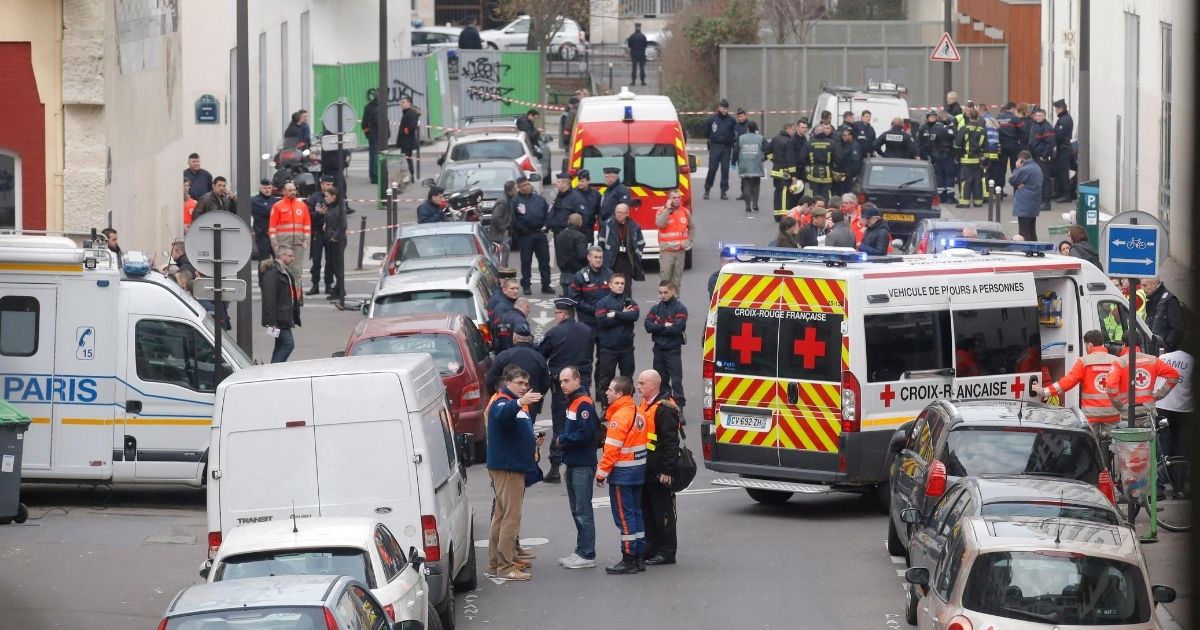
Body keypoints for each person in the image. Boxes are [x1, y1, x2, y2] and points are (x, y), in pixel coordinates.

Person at [486, 365, 543, 582]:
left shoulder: (513, 404)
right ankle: (505, 566)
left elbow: (514, 428)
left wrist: (531, 439)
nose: (524, 388)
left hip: (511, 466)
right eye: (519, 383)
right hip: (508, 468)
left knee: (501, 517)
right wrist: (520, 402)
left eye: (526, 384)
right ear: (508, 382)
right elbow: (501, 415)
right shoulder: (502, 402)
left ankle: (496, 563)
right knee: (511, 518)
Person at [595, 375, 647, 575]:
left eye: (610, 389)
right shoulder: (638, 411)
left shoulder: (619, 418)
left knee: (624, 518)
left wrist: (601, 474)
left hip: (623, 473)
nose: (606, 392)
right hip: (638, 470)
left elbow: (612, 451)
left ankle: (628, 559)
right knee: (636, 514)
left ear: (619, 394)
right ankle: (639, 556)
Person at [539, 298, 595, 483]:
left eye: (556, 313)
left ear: (562, 314)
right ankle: (583, 462)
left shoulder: (554, 333)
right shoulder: (587, 331)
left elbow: (541, 356)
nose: (555, 316)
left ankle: (555, 467)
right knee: (583, 423)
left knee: (561, 424)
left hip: (561, 386)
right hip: (583, 384)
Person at [554, 366, 599, 569]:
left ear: (577, 380)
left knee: (582, 510)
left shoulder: (583, 404)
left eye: (566, 381)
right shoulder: (573, 402)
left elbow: (587, 434)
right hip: (574, 463)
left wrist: (563, 440)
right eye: (561, 381)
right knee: (577, 510)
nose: (562, 385)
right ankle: (581, 550)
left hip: (582, 464)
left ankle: (587, 554)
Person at [1042, 330, 1120, 442]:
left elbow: (1066, 382)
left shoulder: (1084, 362)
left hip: (1091, 415)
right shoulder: (1116, 361)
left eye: (1085, 346)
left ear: (1090, 344)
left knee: (1091, 445)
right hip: (1112, 413)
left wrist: (1044, 392)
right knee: (1114, 446)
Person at [637, 369, 680, 566]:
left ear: (653, 385)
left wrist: (667, 471)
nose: (638, 387)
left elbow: (671, 442)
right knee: (648, 510)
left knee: (663, 512)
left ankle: (667, 551)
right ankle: (652, 546)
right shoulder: (646, 405)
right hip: (647, 469)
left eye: (642, 383)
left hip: (659, 471)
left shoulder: (665, 408)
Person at [1104, 330, 1181, 427]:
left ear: (1124, 344)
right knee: (1150, 441)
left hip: (1128, 414)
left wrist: (1119, 405)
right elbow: (1174, 376)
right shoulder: (1153, 360)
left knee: (1129, 441)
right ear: (1140, 344)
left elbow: (1110, 386)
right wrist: (1158, 395)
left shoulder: (1119, 362)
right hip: (1148, 412)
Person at [594, 274, 639, 412]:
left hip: (626, 348)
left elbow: (634, 315)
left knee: (627, 379)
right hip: (608, 349)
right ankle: (606, 408)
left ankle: (627, 406)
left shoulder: (629, 301)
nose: (620, 285)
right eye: (617, 283)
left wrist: (615, 314)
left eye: (622, 283)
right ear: (610, 284)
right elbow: (601, 321)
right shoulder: (603, 303)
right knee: (606, 379)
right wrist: (623, 315)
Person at [488, 323, 550, 421]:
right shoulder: (538, 358)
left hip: (506, 401)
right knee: (527, 430)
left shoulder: (503, 356)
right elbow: (545, 383)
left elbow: (491, 380)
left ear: (514, 338)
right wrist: (538, 398)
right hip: (530, 402)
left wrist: (496, 396)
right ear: (529, 339)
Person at [645, 281, 687, 411]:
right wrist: (665, 325)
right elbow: (647, 326)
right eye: (660, 292)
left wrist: (657, 327)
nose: (662, 295)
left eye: (665, 292)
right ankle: (666, 404)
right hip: (658, 350)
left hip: (673, 350)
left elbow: (677, 328)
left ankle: (679, 407)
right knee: (660, 380)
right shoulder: (656, 308)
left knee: (676, 380)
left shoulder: (680, 309)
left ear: (673, 291)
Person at [512, 176, 553, 295]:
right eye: (524, 185)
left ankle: (546, 284)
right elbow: (514, 220)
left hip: (540, 234)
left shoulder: (539, 199)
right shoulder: (515, 201)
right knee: (526, 262)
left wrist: (546, 225)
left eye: (528, 184)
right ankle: (526, 285)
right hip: (525, 236)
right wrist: (523, 230)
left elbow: (548, 213)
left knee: (544, 261)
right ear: (519, 188)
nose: (528, 186)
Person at [260, 246, 301, 363]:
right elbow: (269, 299)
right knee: (288, 344)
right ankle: (274, 369)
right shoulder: (273, 273)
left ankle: (273, 367)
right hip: (279, 318)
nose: (293, 258)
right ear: (281, 256)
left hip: (284, 316)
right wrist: (272, 322)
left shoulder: (282, 270)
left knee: (280, 344)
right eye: (290, 256)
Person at [269, 183, 312, 284]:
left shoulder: (302, 206)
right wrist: (274, 244)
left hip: (298, 244)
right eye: (290, 190)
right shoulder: (277, 206)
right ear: (284, 192)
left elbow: (307, 225)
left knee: (297, 271)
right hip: (283, 245)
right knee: (282, 271)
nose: (293, 192)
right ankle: (284, 296)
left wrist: (306, 241)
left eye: (294, 190)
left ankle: (297, 297)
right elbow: (272, 227)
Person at [599, 203, 645, 297]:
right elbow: (601, 243)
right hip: (611, 261)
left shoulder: (634, 226)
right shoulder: (608, 225)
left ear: (627, 213)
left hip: (627, 261)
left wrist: (638, 256)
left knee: (626, 286)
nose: (619, 214)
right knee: (611, 285)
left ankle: (627, 306)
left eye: (622, 212)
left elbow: (641, 243)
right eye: (617, 212)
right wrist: (602, 260)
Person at [1156, 348, 1193, 457]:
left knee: (1162, 445)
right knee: (1180, 448)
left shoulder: (1163, 358)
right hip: (1183, 410)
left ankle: (1161, 469)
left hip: (1161, 405)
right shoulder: (1192, 361)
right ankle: (1177, 469)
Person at [568, 246, 612, 337]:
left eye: (600, 257)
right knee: (586, 350)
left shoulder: (609, 274)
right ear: (589, 258)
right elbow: (575, 299)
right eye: (595, 257)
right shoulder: (579, 276)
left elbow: (614, 295)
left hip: (605, 321)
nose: (598, 260)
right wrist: (594, 309)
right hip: (587, 321)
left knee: (604, 350)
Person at [655, 189, 692, 291]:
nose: (677, 200)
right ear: (669, 199)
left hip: (680, 252)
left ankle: (675, 302)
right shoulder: (662, 211)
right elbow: (660, 224)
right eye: (674, 198)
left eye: (678, 197)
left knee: (677, 280)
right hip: (667, 252)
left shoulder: (685, 212)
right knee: (665, 279)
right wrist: (667, 210)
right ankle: (663, 302)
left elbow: (692, 227)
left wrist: (690, 241)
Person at [305, 176, 335, 295]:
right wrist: (318, 213)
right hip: (318, 232)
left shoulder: (334, 196)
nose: (328, 187)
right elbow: (308, 215)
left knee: (330, 260)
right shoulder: (314, 198)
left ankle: (328, 285)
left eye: (330, 184)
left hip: (330, 233)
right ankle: (315, 285)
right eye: (326, 184)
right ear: (321, 185)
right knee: (316, 261)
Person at [703, 99, 736, 200]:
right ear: (719, 107)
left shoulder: (732, 120)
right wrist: (711, 141)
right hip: (715, 146)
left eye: (726, 108)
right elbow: (706, 133)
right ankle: (707, 190)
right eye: (722, 108)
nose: (724, 110)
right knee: (712, 168)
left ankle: (723, 191)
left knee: (725, 169)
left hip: (726, 147)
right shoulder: (712, 119)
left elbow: (734, 133)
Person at [1141, 277, 1186, 353]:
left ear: (1155, 284)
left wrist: (1166, 347)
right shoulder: (1152, 300)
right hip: (1151, 349)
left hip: (1163, 352)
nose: (1142, 289)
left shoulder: (1170, 301)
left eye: (1145, 285)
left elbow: (1177, 329)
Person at [954, 110, 987, 208]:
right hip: (978, 160)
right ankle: (978, 202)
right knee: (977, 181)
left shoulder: (964, 129)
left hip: (966, 160)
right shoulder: (982, 130)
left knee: (966, 181)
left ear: (969, 117)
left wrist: (957, 157)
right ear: (977, 118)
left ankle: (965, 202)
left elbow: (957, 143)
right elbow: (985, 146)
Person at [733, 121, 768, 213]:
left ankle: (748, 206)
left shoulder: (741, 138)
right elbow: (768, 149)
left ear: (748, 128)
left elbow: (736, 151)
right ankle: (755, 203)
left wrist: (733, 162)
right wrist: (764, 158)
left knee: (746, 185)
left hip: (744, 165)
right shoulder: (761, 138)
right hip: (757, 164)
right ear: (756, 129)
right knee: (756, 185)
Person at [319, 187, 348, 300]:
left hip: (337, 240)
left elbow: (343, 225)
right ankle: (339, 288)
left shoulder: (339, 208)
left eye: (327, 196)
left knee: (337, 266)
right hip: (330, 237)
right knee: (332, 264)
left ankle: (340, 289)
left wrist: (335, 236)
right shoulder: (331, 207)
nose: (325, 198)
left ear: (334, 197)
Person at [1008, 150, 1043, 242]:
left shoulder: (1025, 169)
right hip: (1032, 204)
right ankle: (1035, 249)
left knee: (1024, 232)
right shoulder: (1036, 167)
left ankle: (1027, 251)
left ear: (1021, 160)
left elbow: (1012, 179)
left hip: (1024, 204)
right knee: (1031, 231)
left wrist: (1017, 168)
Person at [767, 123, 799, 218]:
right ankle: (784, 215)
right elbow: (790, 159)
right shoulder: (789, 141)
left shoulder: (775, 138)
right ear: (788, 128)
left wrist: (775, 161)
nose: (793, 132)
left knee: (777, 192)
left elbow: (768, 152)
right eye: (793, 130)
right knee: (785, 193)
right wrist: (793, 175)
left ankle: (777, 214)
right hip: (785, 172)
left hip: (776, 171)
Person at [1026, 108, 1055, 211]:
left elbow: (1050, 142)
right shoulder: (1035, 125)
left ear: (1044, 116)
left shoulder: (1046, 127)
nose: (1037, 117)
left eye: (1039, 116)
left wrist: (1044, 155)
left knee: (1045, 179)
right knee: (1038, 179)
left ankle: (1046, 202)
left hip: (1041, 157)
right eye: (1036, 115)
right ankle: (1040, 200)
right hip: (1034, 156)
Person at [555, 214, 590, 296]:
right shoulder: (580, 236)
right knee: (574, 297)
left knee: (566, 297)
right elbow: (582, 255)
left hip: (563, 270)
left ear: (568, 222)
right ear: (580, 222)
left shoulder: (560, 235)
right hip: (576, 270)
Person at [547, 172, 587, 237]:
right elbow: (553, 211)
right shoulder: (560, 195)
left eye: (558, 182)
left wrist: (573, 231)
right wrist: (547, 225)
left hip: (569, 235)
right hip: (557, 232)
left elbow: (583, 217)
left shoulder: (576, 198)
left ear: (564, 184)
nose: (556, 184)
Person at [488, 278, 522, 353]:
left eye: (517, 288)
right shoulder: (501, 307)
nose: (515, 291)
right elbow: (501, 330)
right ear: (504, 290)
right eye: (512, 289)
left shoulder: (512, 303)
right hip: (507, 349)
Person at [804, 122, 836, 202]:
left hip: (813, 172)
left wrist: (808, 165)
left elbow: (802, 157)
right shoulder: (831, 143)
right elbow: (837, 158)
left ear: (815, 133)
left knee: (813, 193)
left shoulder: (809, 143)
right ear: (824, 132)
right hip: (827, 173)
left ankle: (814, 210)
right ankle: (826, 210)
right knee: (827, 193)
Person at [932, 111, 958, 205]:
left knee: (939, 176)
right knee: (949, 175)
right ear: (943, 118)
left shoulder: (933, 127)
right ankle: (950, 197)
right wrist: (952, 125)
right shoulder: (944, 128)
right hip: (947, 155)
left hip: (936, 155)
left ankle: (941, 197)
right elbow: (954, 135)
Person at [1051, 99, 1075, 202]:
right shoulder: (1063, 118)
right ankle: (1060, 191)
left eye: (1056, 108)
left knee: (1063, 171)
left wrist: (1052, 142)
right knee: (1059, 171)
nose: (1055, 111)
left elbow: (1058, 135)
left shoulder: (1064, 120)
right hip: (1062, 148)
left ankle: (1066, 194)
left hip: (1064, 149)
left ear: (1060, 108)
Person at [490, 181, 516, 268]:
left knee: (503, 261)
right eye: (515, 189)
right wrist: (503, 229)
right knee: (501, 262)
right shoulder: (503, 201)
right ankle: (502, 280)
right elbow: (495, 217)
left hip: (503, 236)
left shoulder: (508, 199)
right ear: (511, 191)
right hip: (500, 237)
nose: (517, 191)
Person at [395, 97, 421, 183]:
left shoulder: (411, 113)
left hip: (407, 141)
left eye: (403, 102)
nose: (401, 104)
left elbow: (413, 126)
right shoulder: (407, 113)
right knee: (406, 159)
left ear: (409, 103)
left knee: (406, 159)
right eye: (401, 102)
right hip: (405, 141)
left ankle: (409, 177)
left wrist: (406, 131)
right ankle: (410, 176)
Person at [250, 179, 276, 260]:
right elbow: (268, 211)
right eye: (265, 188)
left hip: (274, 235)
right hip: (262, 235)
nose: (267, 190)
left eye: (269, 188)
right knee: (264, 261)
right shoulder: (255, 200)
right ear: (260, 188)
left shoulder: (274, 200)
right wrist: (275, 209)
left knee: (279, 259)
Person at [834, 127, 863, 195]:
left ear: (850, 136)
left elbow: (856, 161)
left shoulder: (854, 146)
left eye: (845, 135)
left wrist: (851, 173)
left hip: (848, 173)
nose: (843, 137)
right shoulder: (844, 144)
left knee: (847, 192)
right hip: (841, 173)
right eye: (842, 135)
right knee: (839, 191)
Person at [362, 89, 381, 185]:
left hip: (373, 136)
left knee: (373, 156)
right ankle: (376, 176)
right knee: (376, 156)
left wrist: (368, 134)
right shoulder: (379, 108)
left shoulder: (368, 107)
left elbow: (364, 124)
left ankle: (373, 175)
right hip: (378, 136)